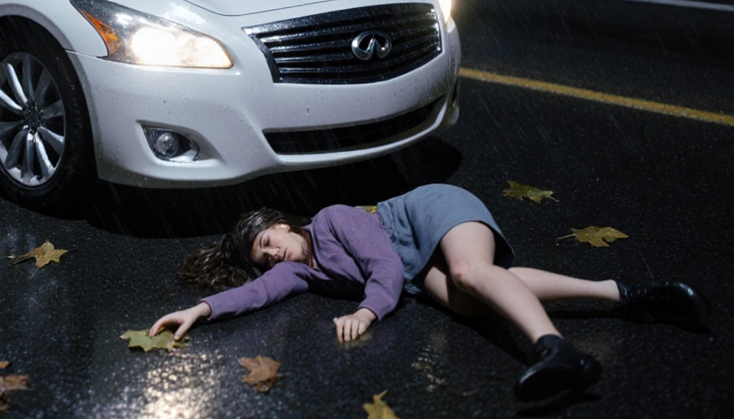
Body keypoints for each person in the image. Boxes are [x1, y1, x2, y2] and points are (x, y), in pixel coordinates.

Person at [149, 183, 709, 402]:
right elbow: (261, 294)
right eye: (263, 257)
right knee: (472, 296)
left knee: (468, 275)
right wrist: (200, 309)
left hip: (432, 213)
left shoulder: (334, 219)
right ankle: (633, 295)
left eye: (269, 241)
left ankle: (556, 351)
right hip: (421, 267)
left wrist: (368, 313)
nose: (273, 256)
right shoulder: (304, 270)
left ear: (283, 224)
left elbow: (384, 268)